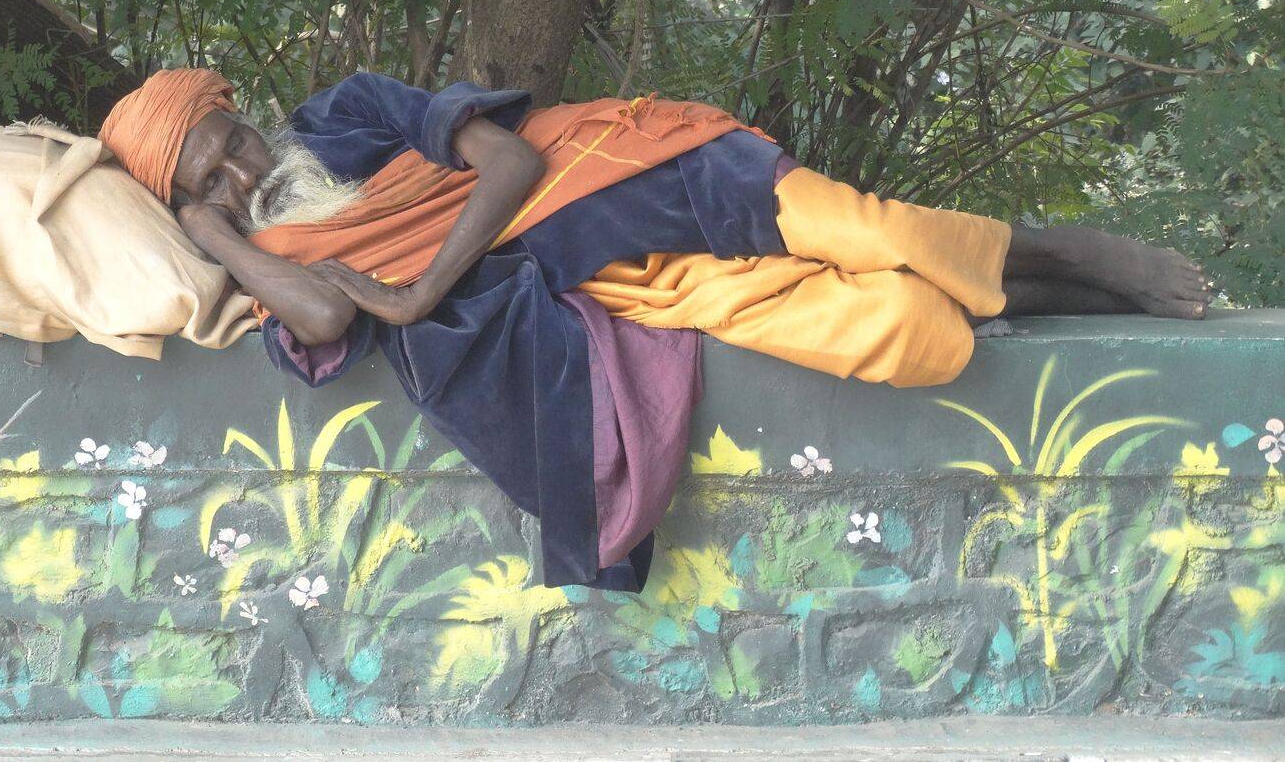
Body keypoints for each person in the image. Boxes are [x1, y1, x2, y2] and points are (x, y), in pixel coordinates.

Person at [98, 68, 1211, 590]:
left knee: (866, 227)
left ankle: (1065, 253)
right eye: (211, 187)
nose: (243, 175)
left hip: (627, 172)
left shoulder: (345, 115)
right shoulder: (276, 253)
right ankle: (1048, 296)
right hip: (625, 284)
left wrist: (425, 287)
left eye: (232, 145)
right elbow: (330, 313)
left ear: (241, 110)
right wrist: (218, 236)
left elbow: (510, 160)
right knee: (893, 328)